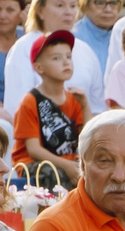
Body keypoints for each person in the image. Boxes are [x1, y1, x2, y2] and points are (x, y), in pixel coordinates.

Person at [5, 0, 103, 117]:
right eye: (60, 5)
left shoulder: (85, 50)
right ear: (40, 11)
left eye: (73, 6)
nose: (68, 12)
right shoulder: (23, 47)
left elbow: (97, 107)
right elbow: (16, 106)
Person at [11, 30, 86, 183]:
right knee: (56, 174)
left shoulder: (74, 98)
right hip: (34, 163)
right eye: (56, 58)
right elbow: (34, 150)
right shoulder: (30, 101)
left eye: (68, 57)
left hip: (68, 160)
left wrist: (85, 105)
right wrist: (66, 165)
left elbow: (86, 137)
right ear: (39, 68)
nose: (66, 62)